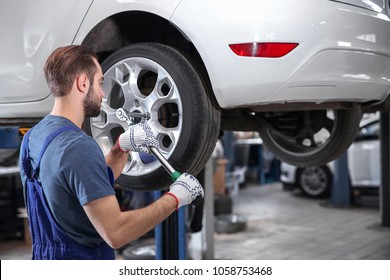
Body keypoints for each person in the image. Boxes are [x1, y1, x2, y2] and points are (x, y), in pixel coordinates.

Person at [19, 45, 203, 260]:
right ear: (82, 83)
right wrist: (174, 198)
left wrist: (120, 149)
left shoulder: (33, 137)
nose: (102, 93)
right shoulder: (79, 147)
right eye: (100, 83)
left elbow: (80, 184)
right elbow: (116, 233)